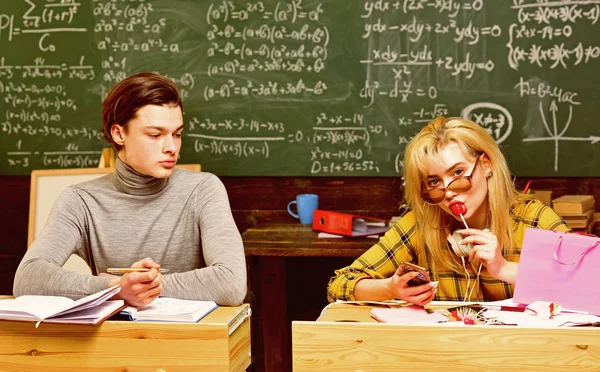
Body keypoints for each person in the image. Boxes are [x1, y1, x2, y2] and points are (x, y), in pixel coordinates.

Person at [13, 72, 247, 307]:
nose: (171, 147)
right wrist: (114, 288)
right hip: (115, 339)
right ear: (119, 133)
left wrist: (139, 287)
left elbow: (231, 282)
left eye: (177, 134)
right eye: (155, 135)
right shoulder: (81, 201)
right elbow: (28, 278)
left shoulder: (203, 190)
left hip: (190, 339)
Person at [327, 116, 570, 305]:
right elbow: (339, 284)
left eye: (457, 173)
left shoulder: (533, 219)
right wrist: (391, 289)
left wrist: (504, 268)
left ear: (486, 165)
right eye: (434, 182)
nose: (448, 191)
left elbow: (592, 286)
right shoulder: (421, 225)